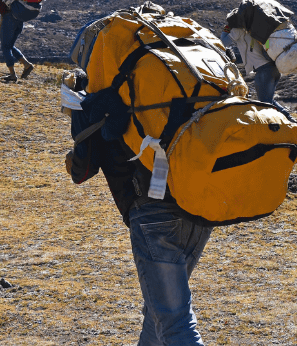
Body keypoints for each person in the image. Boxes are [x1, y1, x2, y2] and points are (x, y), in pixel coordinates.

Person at [64, 76, 212, 346]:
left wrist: (73, 150)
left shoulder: (95, 96)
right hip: (198, 206)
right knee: (159, 309)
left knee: (175, 324)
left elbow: (82, 170)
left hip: (152, 212)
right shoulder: (163, 81)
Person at [221, 0, 297, 118]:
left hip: (263, 70)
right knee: (268, 101)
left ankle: (288, 119)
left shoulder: (238, 29)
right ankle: (285, 119)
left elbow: (224, 42)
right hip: (273, 69)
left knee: (265, 103)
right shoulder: (256, 30)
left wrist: (226, 28)